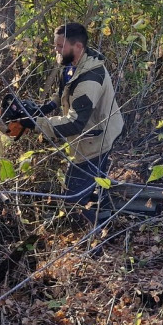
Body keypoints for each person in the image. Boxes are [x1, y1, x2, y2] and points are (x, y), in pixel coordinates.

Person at [35, 22, 125, 211]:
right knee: (95, 187)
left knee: (73, 199)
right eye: (55, 45)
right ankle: (107, 216)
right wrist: (49, 106)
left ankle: (93, 233)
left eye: (60, 46)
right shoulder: (71, 64)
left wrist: (36, 123)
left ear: (77, 46)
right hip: (86, 137)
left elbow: (75, 123)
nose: (56, 50)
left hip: (96, 140)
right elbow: (65, 91)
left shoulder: (90, 79)